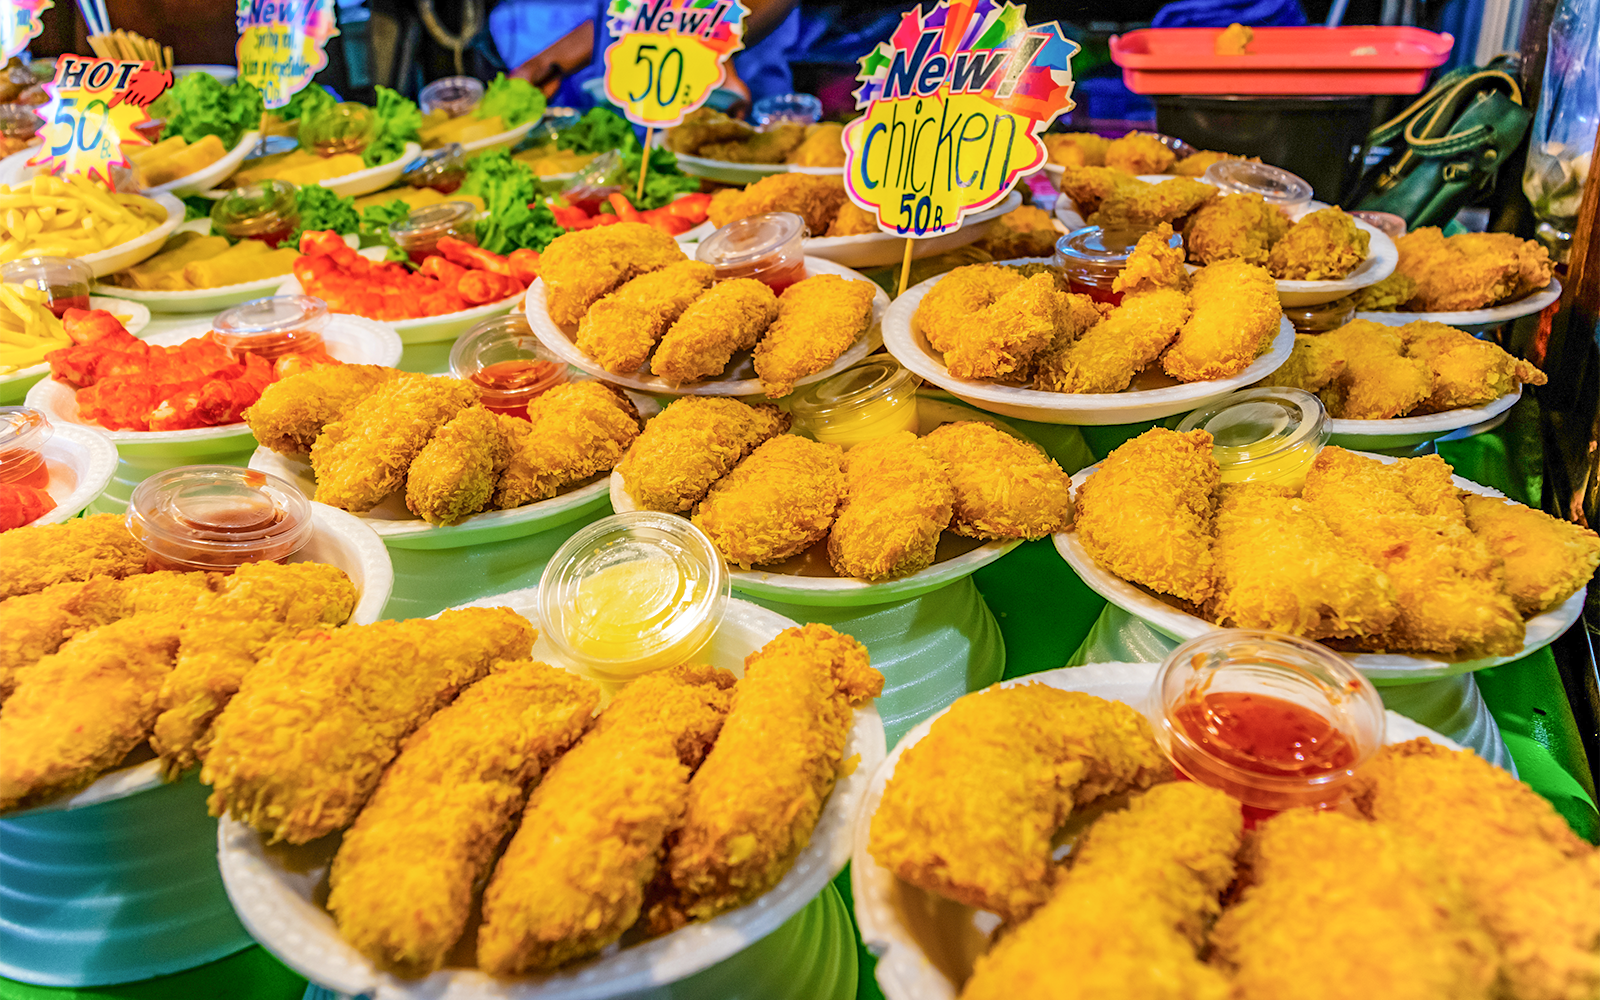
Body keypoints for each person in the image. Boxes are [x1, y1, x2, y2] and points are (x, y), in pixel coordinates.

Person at [505, 0, 800, 116]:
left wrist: (706, 43)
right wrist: (555, 57)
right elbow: (636, 8)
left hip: (723, 95)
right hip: (617, 96)